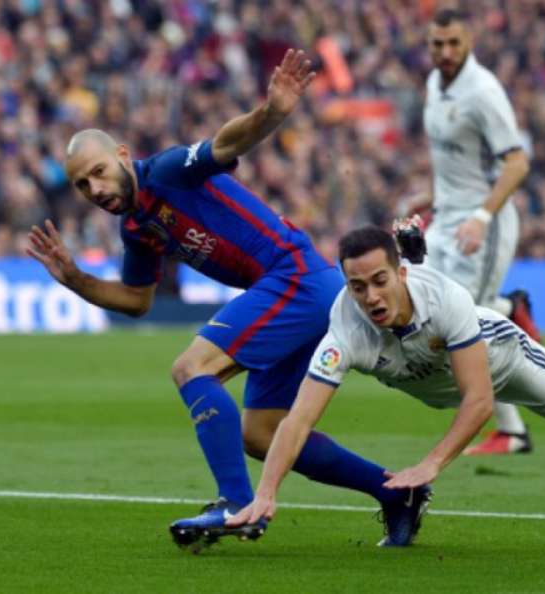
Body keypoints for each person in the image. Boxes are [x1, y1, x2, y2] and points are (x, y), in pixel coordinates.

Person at [26, 50, 427, 552]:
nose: (95, 188)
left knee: (192, 368)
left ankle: (236, 503)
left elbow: (225, 143)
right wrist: (75, 279)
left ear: (123, 155)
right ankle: (397, 492)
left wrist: (273, 112)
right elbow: (136, 301)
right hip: (293, 289)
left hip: (295, 277)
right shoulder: (136, 227)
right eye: (83, 184)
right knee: (260, 433)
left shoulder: (166, 172)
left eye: (100, 172)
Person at [228, 225, 545, 541]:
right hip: (442, 383)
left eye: (380, 280)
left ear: (401, 273)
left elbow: (478, 401)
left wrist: (430, 464)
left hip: (507, 360)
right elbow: (298, 419)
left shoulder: (442, 298)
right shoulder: (346, 328)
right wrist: (267, 493)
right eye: (357, 286)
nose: (370, 296)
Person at [411, 8, 539, 454]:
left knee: (464, 324)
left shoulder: (483, 92)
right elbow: (454, 157)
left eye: (454, 44)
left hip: (482, 222)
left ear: (470, 41)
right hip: (446, 218)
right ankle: (510, 306)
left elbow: (516, 162)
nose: (445, 53)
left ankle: (513, 431)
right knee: (439, 314)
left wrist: (482, 217)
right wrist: (429, 196)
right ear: (428, 44)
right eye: (437, 44)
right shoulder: (433, 84)